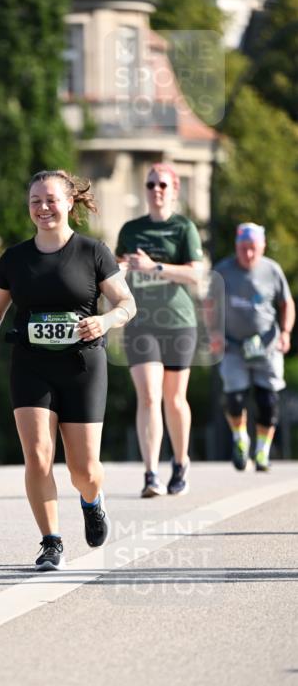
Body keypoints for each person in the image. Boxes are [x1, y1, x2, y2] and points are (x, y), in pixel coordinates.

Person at [0, 169, 135, 572]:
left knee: (84, 469)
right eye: (35, 201)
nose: (42, 208)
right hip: (31, 364)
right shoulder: (14, 258)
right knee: (38, 456)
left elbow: (126, 304)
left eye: (50, 200)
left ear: (68, 203)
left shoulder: (93, 252)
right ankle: (51, 541)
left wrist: (105, 321)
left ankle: (91, 500)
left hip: (82, 365)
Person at [115, 163, 203, 498]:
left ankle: (180, 463)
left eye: (163, 185)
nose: (156, 190)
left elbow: (196, 274)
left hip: (178, 322)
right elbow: (117, 269)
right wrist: (122, 267)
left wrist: (156, 267)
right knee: (149, 395)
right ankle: (151, 473)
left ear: (174, 188)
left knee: (174, 398)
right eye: (151, 184)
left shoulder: (183, 228)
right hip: (140, 322)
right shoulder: (131, 229)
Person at [213, 222, 295, 472]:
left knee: (267, 401)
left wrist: (286, 332)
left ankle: (262, 451)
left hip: (267, 345)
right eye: (243, 248)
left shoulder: (272, 270)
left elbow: (286, 303)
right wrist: (214, 333)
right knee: (234, 399)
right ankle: (240, 439)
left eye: (253, 249)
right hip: (233, 346)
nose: (247, 254)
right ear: (236, 246)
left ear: (262, 247)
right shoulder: (223, 271)